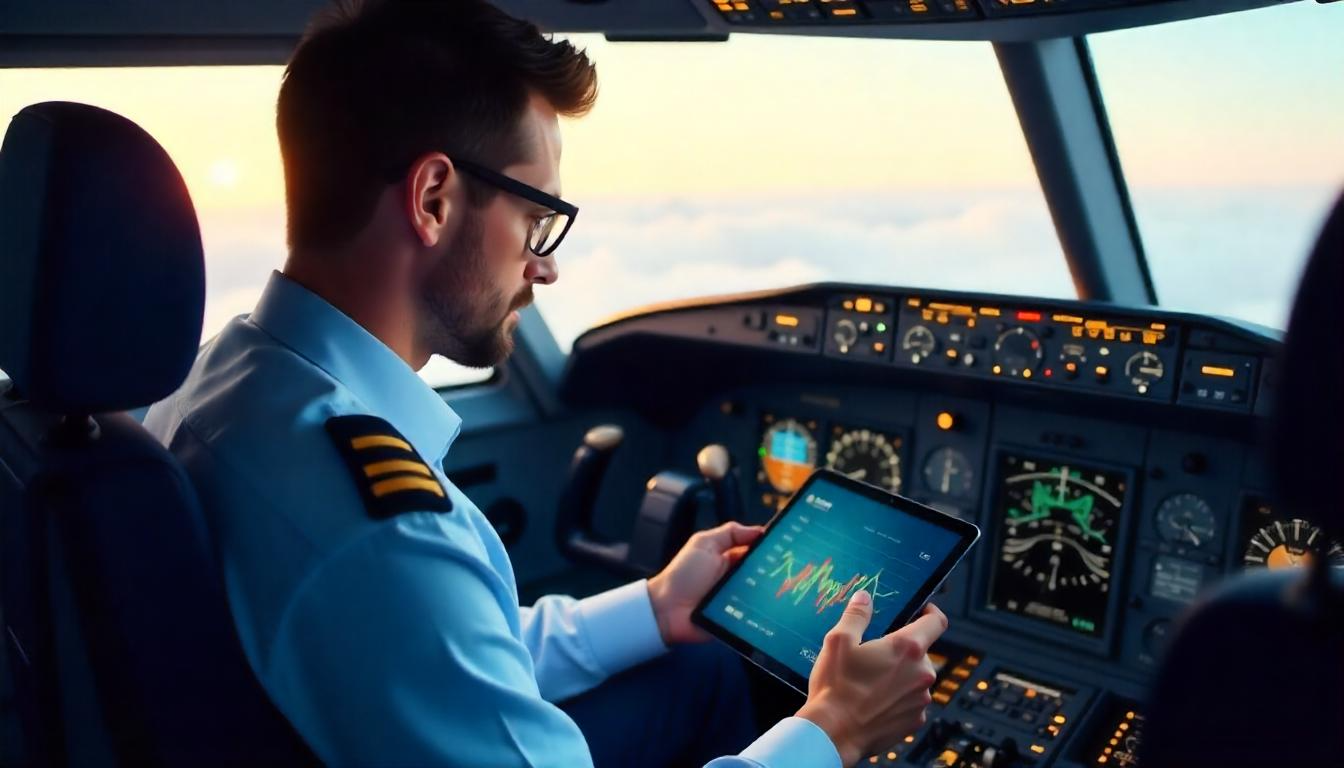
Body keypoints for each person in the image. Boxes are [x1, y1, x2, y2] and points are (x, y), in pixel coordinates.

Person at [144, 1, 947, 765]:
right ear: (432, 200)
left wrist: (657, 606)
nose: (546, 265)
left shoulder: (222, 380)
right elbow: (409, 609)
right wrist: (832, 731)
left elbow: (449, 650)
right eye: (536, 221)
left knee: (697, 671)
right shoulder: (377, 532)